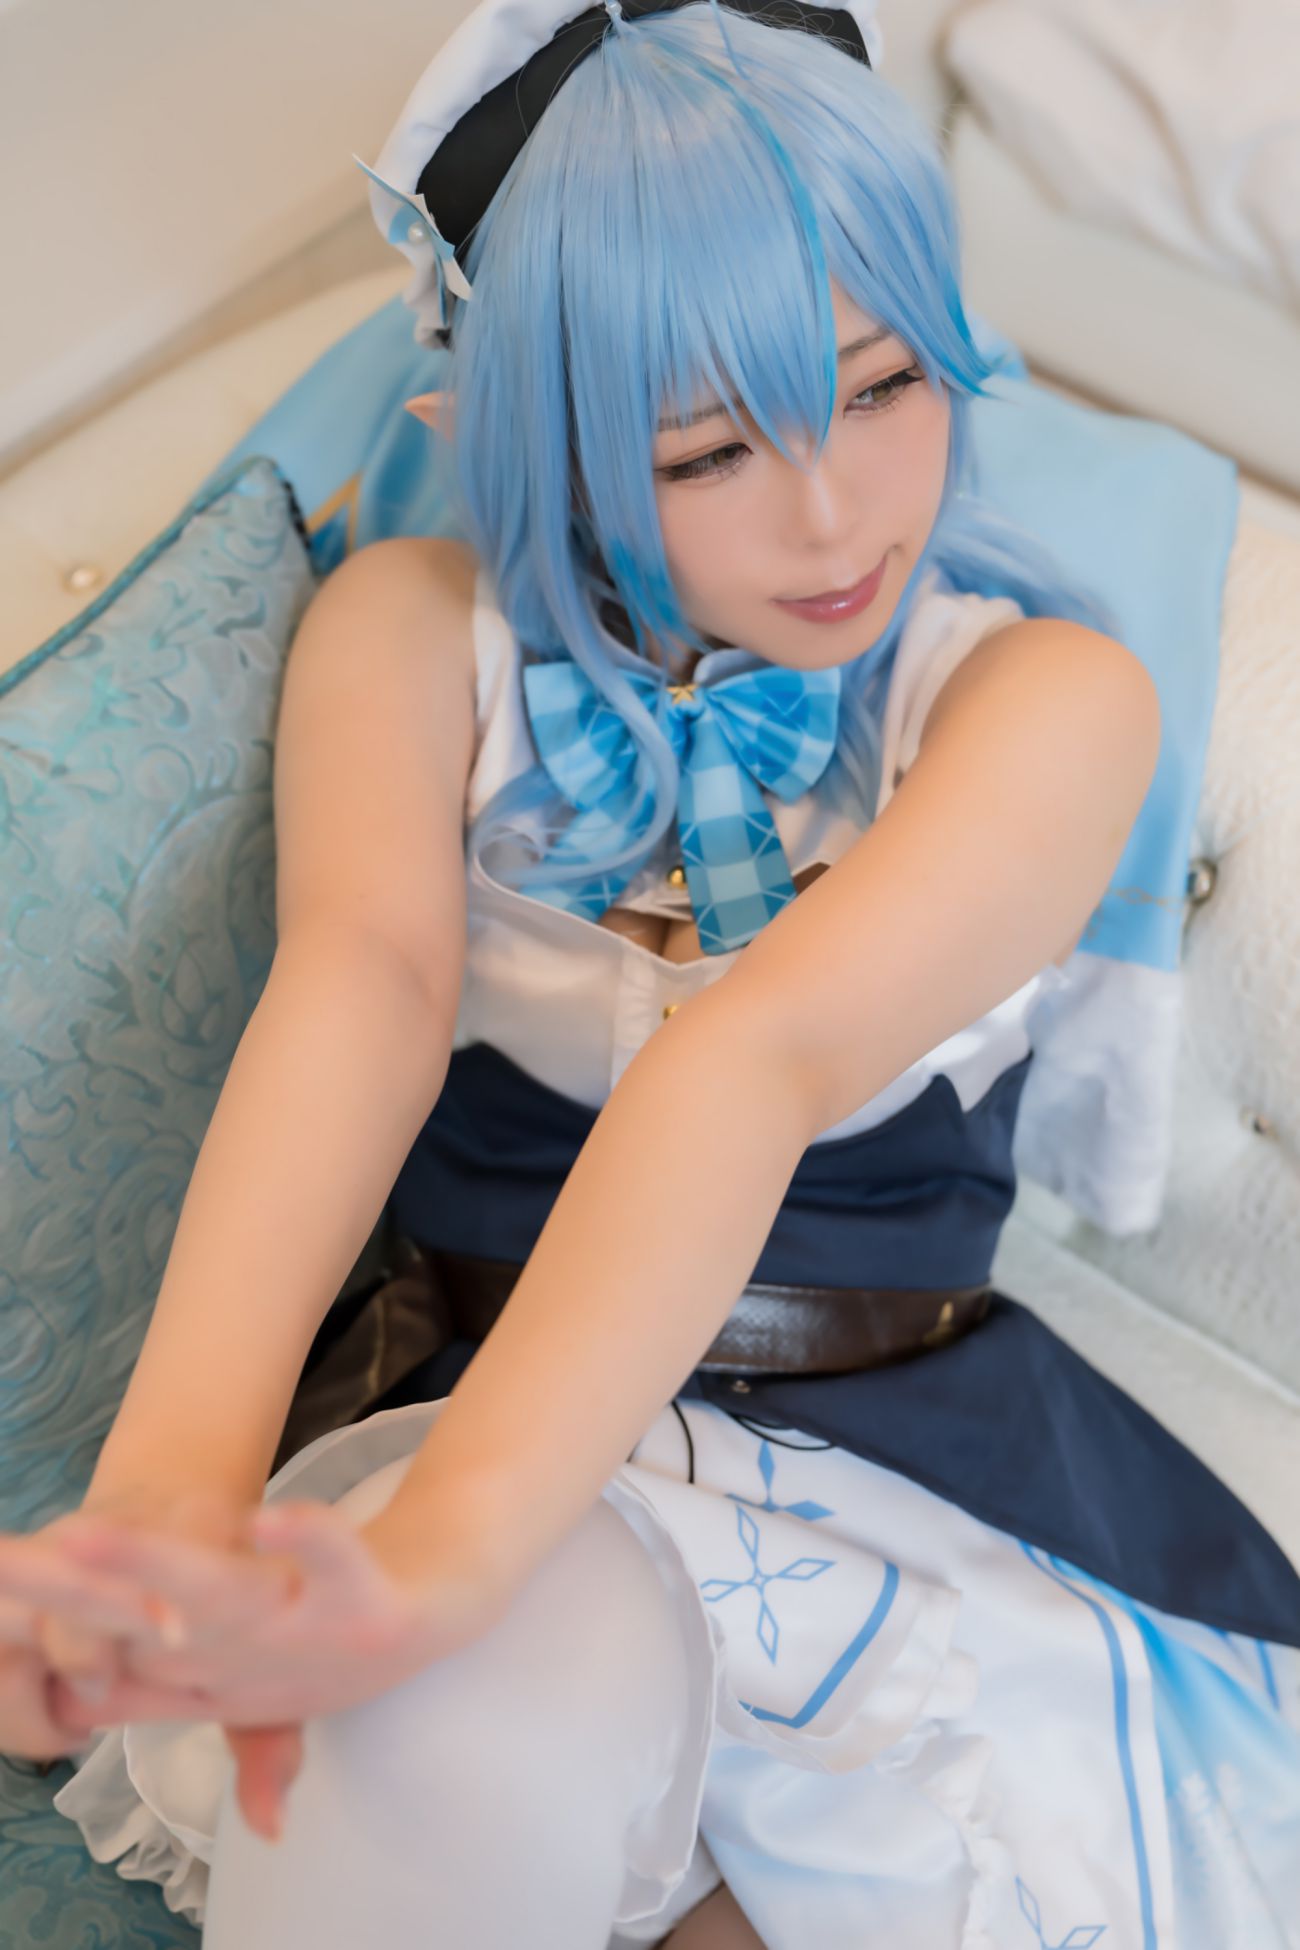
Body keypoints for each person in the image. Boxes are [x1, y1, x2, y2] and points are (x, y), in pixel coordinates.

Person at [1, 0, 1296, 1943]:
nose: (835, 511)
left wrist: (444, 1555)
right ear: (546, 443)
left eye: (884, 383)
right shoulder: (410, 630)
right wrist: (162, 1493)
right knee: (453, 1724)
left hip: (878, 1459)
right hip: (469, 1399)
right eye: (709, 450)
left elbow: (752, 1058)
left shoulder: (1039, 698)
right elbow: (355, 993)